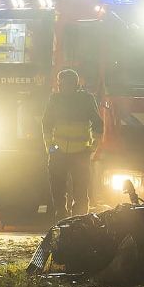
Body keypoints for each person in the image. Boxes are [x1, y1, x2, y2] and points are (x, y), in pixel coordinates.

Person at [41, 68, 104, 219]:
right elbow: (47, 124)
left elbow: (97, 124)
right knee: (63, 189)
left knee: (78, 190)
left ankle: (76, 220)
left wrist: (52, 148)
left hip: (76, 152)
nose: (64, 86)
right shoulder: (78, 99)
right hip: (72, 152)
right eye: (63, 84)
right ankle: (70, 218)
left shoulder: (63, 99)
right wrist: (52, 148)